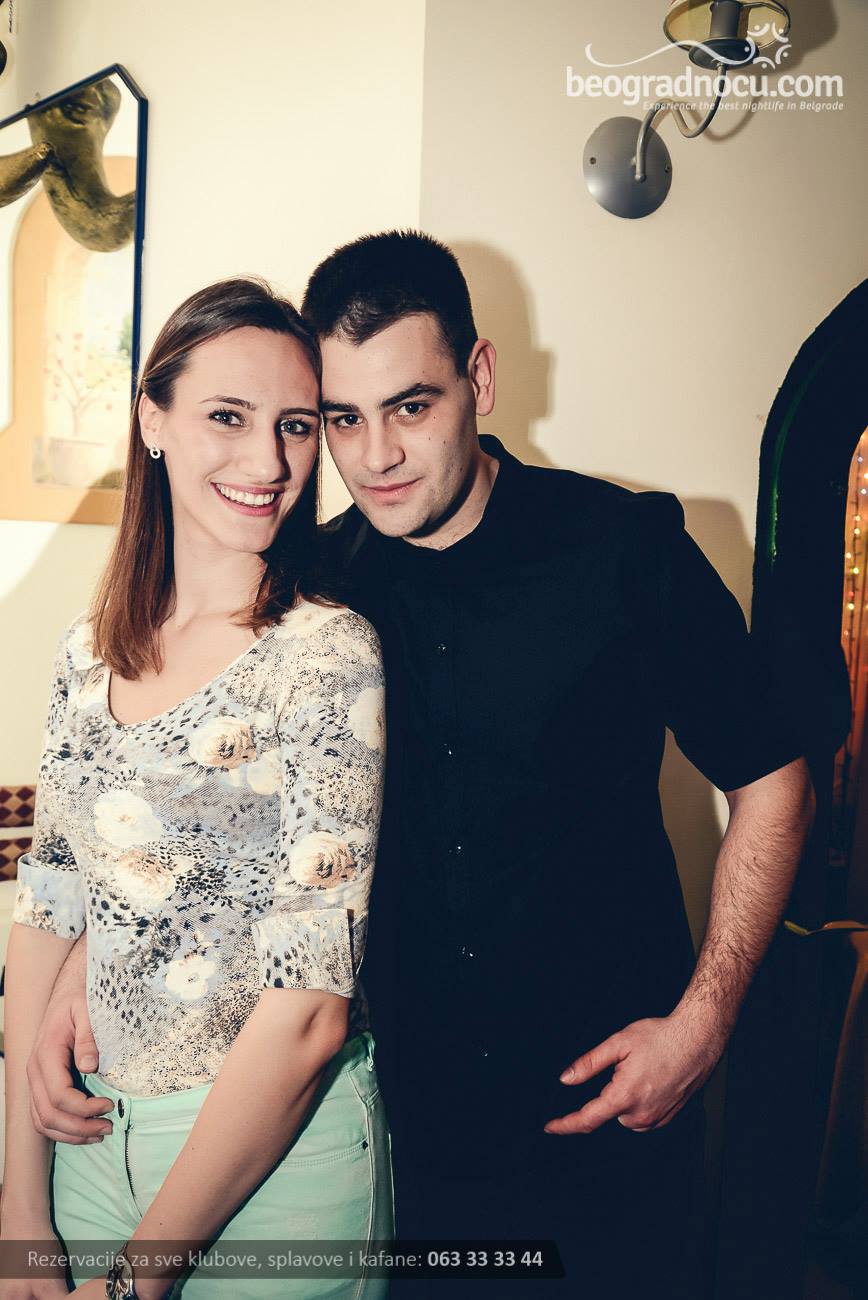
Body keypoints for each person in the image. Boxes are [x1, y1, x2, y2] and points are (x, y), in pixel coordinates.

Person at [27, 233, 816, 1298]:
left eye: (411, 406)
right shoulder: (312, 588)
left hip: (608, 1115)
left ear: (478, 379)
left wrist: (703, 1021)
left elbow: (771, 777)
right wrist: (87, 958)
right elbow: (206, 815)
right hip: (402, 1129)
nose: (377, 455)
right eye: (341, 419)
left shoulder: (625, 547)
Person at [0, 278, 392, 1300]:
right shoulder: (87, 653)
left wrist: (137, 1279)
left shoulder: (324, 655)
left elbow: (311, 1005)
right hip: (87, 1147)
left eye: (294, 425)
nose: (268, 463)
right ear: (152, 419)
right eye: (228, 416)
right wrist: (20, 1212)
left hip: (277, 1171)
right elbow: (49, 905)